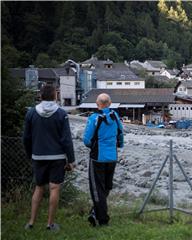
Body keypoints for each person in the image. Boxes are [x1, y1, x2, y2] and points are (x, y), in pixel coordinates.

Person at [23, 84, 75, 231]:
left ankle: (31, 222)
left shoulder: (31, 113)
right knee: (54, 188)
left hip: (38, 156)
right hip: (57, 157)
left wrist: (29, 155)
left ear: (40, 95)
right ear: (55, 96)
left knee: (38, 188)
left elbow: (26, 138)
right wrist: (71, 160)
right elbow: (66, 140)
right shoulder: (61, 113)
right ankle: (50, 224)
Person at [83, 93, 124, 227]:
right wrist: (119, 145)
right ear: (110, 103)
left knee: (96, 189)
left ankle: (102, 219)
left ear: (97, 103)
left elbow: (87, 140)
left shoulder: (94, 118)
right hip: (112, 156)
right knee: (106, 187)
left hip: (97, 158)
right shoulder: (115, 116)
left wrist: (92, 145)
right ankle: (96, 212)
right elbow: (121, 133)